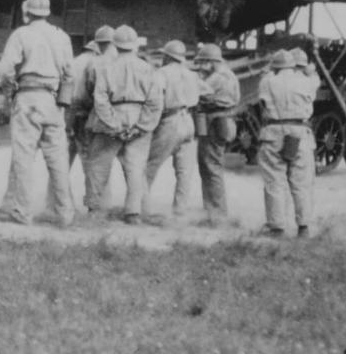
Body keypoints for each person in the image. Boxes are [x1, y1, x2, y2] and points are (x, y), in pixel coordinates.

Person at [0, 0, 76, 227]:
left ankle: (22, 212)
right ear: (47, 12)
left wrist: (8, 92)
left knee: (23, 158)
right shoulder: (62, 36)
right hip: (53, 102)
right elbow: (70, 75)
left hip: (28, 99)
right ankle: (65, 214)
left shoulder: (21, 35)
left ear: (27, 11)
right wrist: (62, 104)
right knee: (58, 161)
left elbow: (6, 70)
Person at [84, 25, 163, 224]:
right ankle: (133, 213)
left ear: (115, 45)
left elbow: (100, 99)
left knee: (98, 165)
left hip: (112, 116)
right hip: (138, 115)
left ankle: (94, 210)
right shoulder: (148, 68)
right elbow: (155, 102)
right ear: (135, 45)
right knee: (136, 168)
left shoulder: (107, 67)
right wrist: (141, 126)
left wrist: (114, 125)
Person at [256, 49, 318, 236]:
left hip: (274, 133)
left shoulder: (267, 81)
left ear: (275, 66)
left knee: (274, 180)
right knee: (301, 182)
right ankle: (304, 227)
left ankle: (277, 227)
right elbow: (313, 81)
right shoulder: (307, 82)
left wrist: (269, 69)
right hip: (301, 133)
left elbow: (261, 100)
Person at [144, 40, 202, 217]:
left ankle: (140, 208)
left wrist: (150, 125)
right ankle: (180, 211)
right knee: (185, 172)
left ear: (167, 56)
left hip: (170, 121)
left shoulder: (162, 73)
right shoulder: (192, 75)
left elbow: (156, 101)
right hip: (189, 120)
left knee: (149, 166)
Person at [191, 43, 240, 221]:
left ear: (212, 61)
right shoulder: (230, 74)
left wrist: (196, 78)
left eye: (203, 62)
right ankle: (212, 209)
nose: (201, 66)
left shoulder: (217, 77)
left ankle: (217, 212)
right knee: (211, 164)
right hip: (223, 120)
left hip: (214, 121)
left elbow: (197, 91)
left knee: (211, 166)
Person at [65, 25, 115, 199]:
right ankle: (98, 202)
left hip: (68, 114)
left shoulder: (76, 61)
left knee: (63, 162)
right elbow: (88, 95)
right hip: (84, 116)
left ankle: (56, 203)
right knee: (91, 162)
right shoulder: (95, 63)